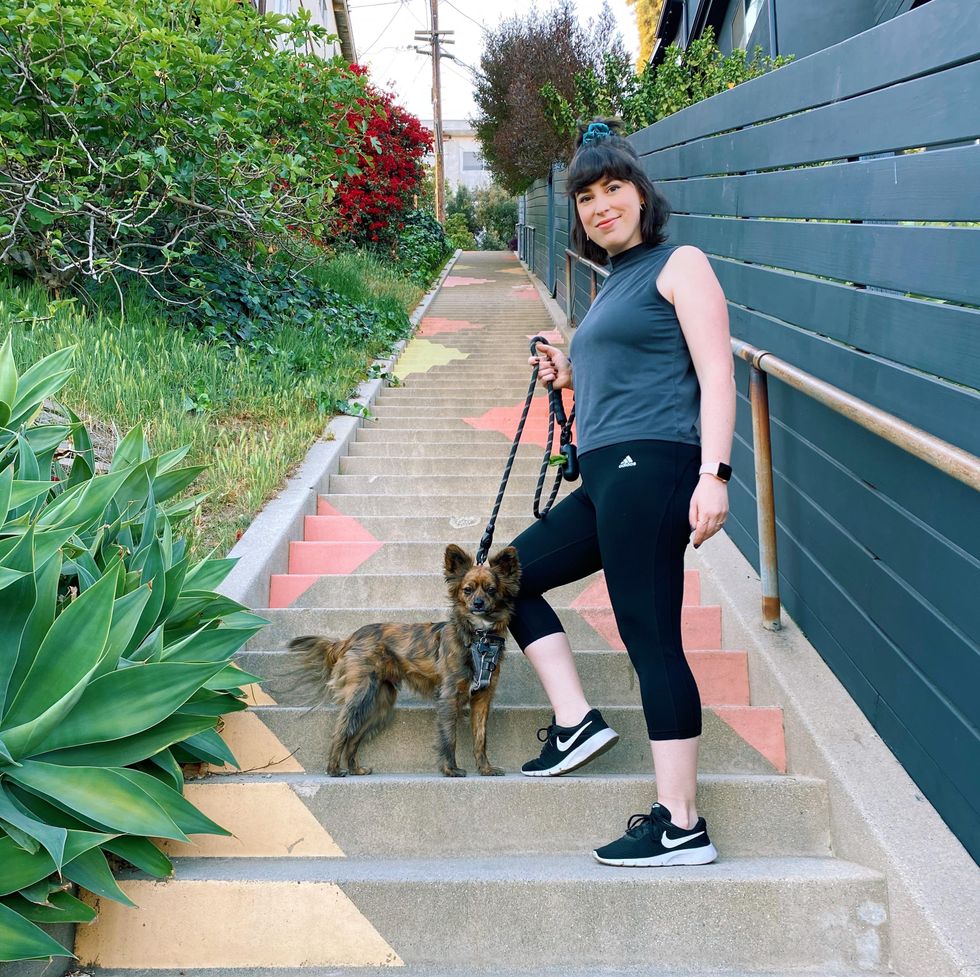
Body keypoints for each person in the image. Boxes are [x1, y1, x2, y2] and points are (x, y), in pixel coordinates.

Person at [507, 118, 736, 867]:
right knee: (503, 580)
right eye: (586, 196)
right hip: (604, 473)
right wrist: (569, 374)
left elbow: (716, 373)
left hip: (657, 466)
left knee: (649, 632)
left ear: (641, 194)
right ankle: (576, 721)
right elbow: (626, 366)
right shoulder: (611, 285)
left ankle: (681, 823)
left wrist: (715, 475)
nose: (600, 205)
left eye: (612, 188)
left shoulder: (682, 263)